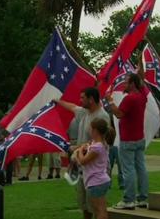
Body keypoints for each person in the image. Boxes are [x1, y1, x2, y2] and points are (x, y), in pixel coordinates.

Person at [55, 87, 110, 219]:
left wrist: (77, 149)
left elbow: (100, 141)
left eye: (83, 98)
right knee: (84, 203)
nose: (80, 101)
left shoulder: (102, 116)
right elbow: (72, 107)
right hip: (83, 169)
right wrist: (56, 100)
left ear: (91, 100)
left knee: (97, 207)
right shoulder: (84, 112)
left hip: (94, 170)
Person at [107, 72, 149, 210]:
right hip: (139, 138)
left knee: (128, 170)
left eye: (126, 82)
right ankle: (143, 198)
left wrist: (110, 101)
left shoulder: (129, 99)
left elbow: (119, 114)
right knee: (141, 168)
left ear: (132, 84)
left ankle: (128, 200)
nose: (124, 84)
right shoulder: (142, 96)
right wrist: (139, 70)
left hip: (128, 139)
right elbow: (141, 82)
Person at [76, 118, 111, 219]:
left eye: (91, 129)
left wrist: (80, 151)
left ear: (95, 131)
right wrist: (86, 147)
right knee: (102, 209)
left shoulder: (97, 147)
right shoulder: (99, 144)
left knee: (98, 211)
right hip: (100, 181)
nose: (90, 131)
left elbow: (83, 161)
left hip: (95, 182)